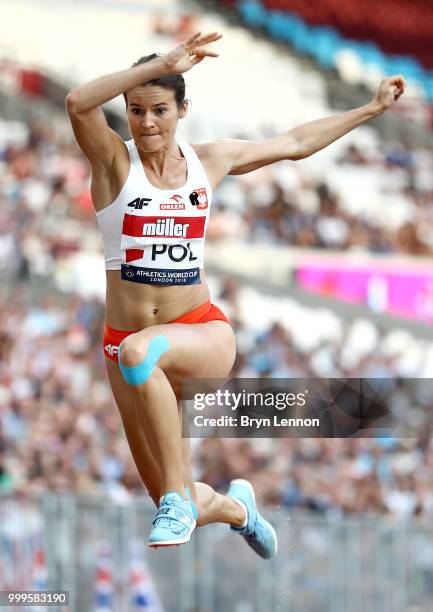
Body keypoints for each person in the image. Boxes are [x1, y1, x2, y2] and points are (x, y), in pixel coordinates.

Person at [65, 31, 405, 552]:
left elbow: (293, 144)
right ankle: (237, 509)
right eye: (136, 111)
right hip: (124, 347)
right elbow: (77, 101)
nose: (147, 123)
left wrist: (371, 108)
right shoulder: (114, 163)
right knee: (169, 495)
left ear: (183, 109)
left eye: (159, 110)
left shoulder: (209, 162)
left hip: (198, 332)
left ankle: (183, 500)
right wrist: (161, 62)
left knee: (142, 356)